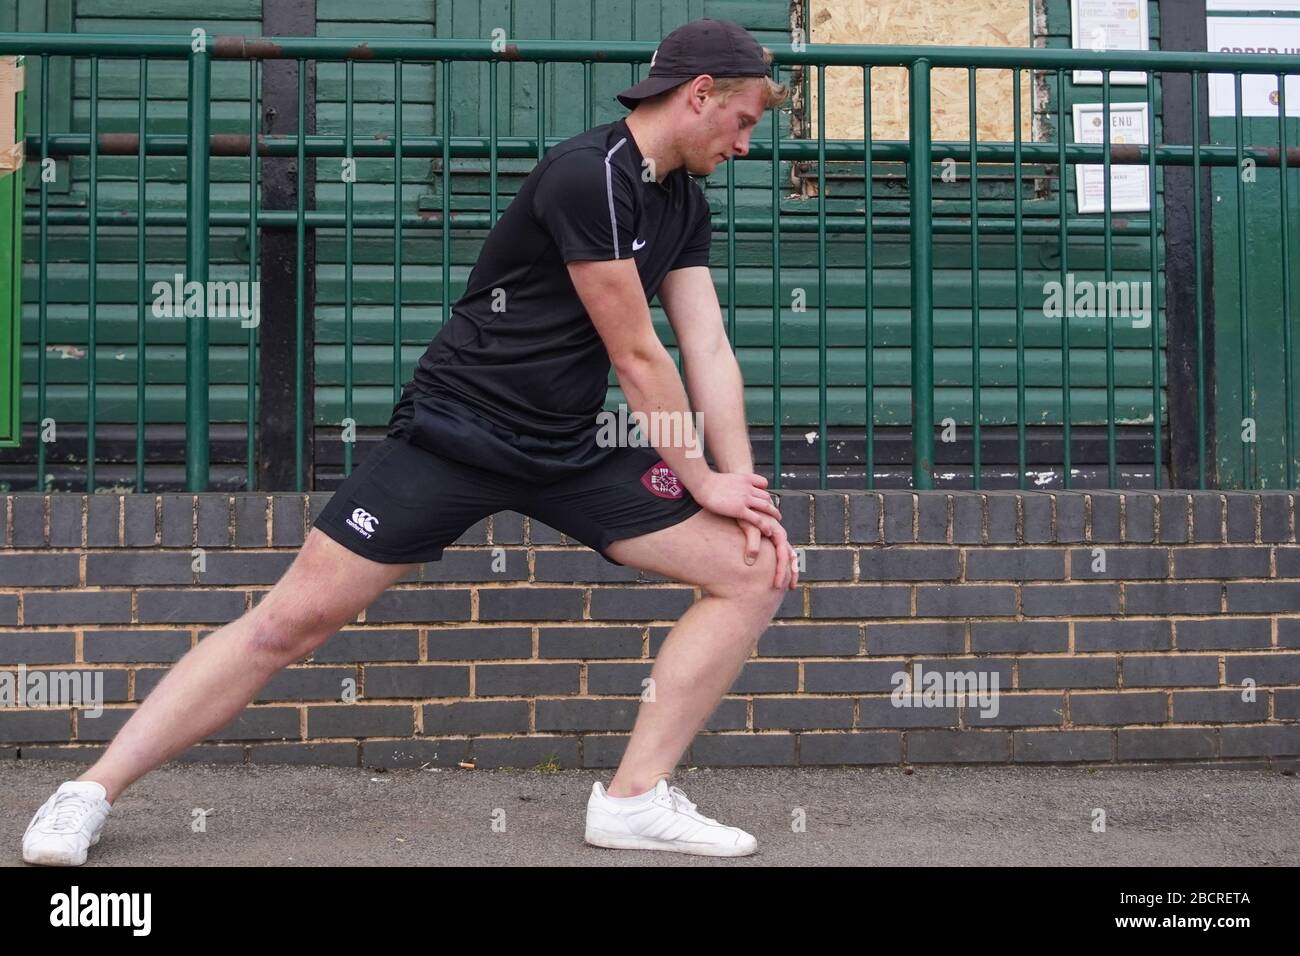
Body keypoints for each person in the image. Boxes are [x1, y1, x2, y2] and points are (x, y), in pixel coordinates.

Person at [22, 17, 794, 865]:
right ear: (699, 95)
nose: (748, 145)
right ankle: (85, 792)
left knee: (753, 568)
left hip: (564, 446)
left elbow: (706, 345)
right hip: (455, 433)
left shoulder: (680, 200)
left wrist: (741, 486)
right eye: (747, 121)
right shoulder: (590, 177)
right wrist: (700, 476)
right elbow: (638, 355)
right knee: (290, 624)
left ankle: (634, 801)